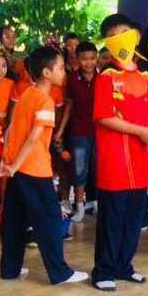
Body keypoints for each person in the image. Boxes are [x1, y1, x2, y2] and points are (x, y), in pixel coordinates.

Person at [0, 46, 87, 285]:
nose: (64, 72)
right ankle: (60, 273)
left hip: (17, 168)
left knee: (14, 220)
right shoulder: (45, 101)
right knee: (49, 220)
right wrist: (15, 165)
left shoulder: (27, 94)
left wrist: (8, 162)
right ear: (46, 73)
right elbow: (32, 138)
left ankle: (10, 269)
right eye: (60, 68)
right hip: (34, 169)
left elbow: (11, 130)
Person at [91, 15, 148, 291]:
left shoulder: (143, 76)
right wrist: (140, 131)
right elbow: (104, 117)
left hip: (139, 157)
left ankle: (124, 266)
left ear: (134, 35)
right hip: (115, 158)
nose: (119, 38)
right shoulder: (106, 77)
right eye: (112, 35)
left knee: (134, 216)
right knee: (113, 217)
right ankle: (103, 270)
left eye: (123, 32)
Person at [61, 41, 98, 223]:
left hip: (100, 131)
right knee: (79, 170)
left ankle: (95, 202)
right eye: (84, 59)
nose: (88, 63)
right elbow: (69, 105)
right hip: (79, 131)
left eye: (92, 58)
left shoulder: (104, 78)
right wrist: (61, 130)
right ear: (77, 59)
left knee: (98, 168)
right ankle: (79, 206)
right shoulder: (72, 79)